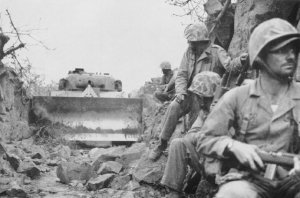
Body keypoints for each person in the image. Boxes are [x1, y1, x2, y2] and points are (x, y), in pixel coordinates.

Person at [196, 18, 300, 198]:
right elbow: (204, 139)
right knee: (231, 194)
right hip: (250, 180)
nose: (290, 55)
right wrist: (233, 146)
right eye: (281, 50)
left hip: (294, 182)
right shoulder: (237, 96)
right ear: (260, 56)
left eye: (293, 49)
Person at [149, 22, 246, 161]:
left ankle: (190, 154)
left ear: (201, 41)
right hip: (189, 92)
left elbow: (230, 66)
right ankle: (161, 144)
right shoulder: (188, 53)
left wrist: (240, 61)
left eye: (192, 42)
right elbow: (182, 74)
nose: (189, 44)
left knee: (196, 122)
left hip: (207, 97)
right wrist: (180, 92)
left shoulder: (217, 51)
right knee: (174, 106)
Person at [160, 71, 221, 198]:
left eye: (199, 95)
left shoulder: (227, 108)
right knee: (178, 144)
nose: (196, 99)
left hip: (226, 167)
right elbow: (190, 136)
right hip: (207, 160)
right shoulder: (204, 111)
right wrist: (202, 137)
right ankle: (173, 191)